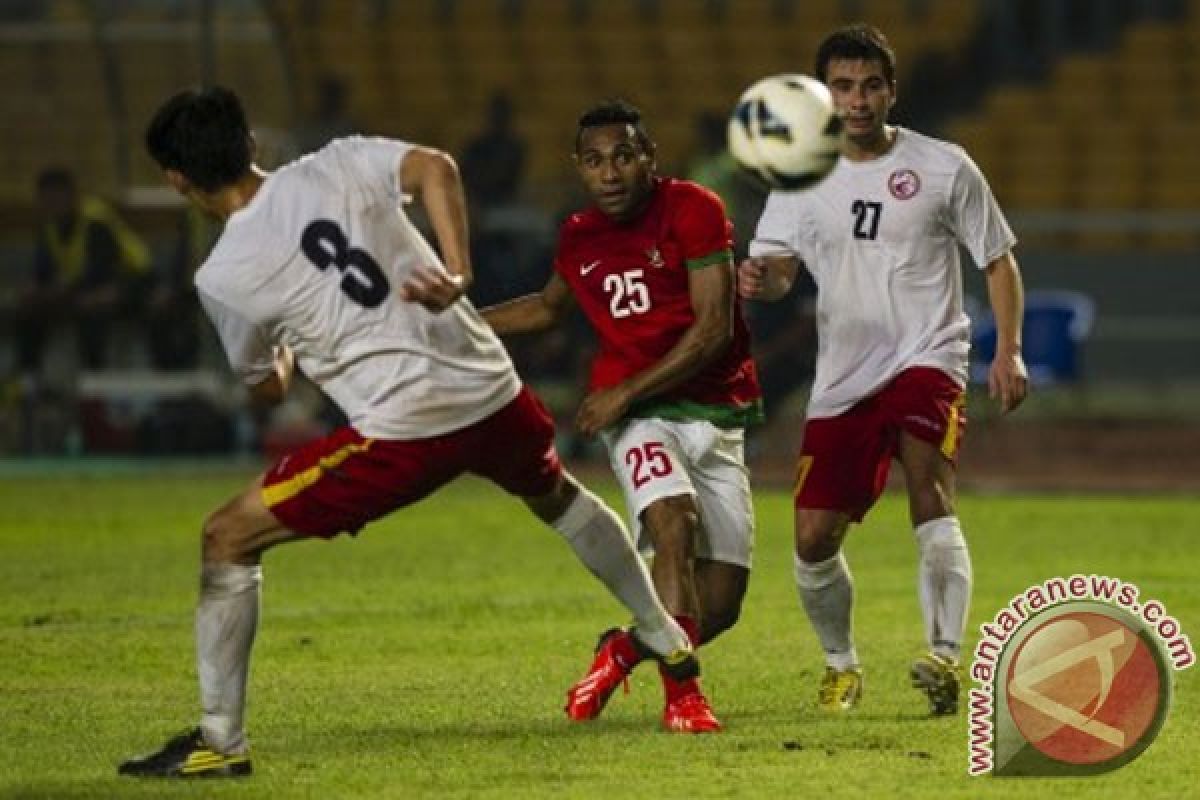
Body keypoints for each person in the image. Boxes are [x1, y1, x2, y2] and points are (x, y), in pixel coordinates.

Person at [118, 86, 701, 780]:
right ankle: (667, 639)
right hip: (491, 389)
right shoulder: (333, 163)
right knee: (559, 498)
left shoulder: (223, 276)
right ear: (251, 143)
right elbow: (436, 169)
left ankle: (220, 739)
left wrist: (293, 346)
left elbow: (267, 389)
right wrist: (456, 272)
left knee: (227, 537)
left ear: (176, 179)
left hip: (405, 431)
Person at [738, 25, 1029, 716]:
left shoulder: (945, 166)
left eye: (871, 85)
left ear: (892, 91)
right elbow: (781, 273)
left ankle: (944, 657)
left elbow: (997, 260)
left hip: (929, 354)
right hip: (843, 374)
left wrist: (1008, 350)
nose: (858, 100)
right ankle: (841, 665)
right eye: (843, 86)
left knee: (930, 490)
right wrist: (761, 278)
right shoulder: (798, 178)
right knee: (812, 541)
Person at [482, 101, 763, 733]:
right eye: (594, 161)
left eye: (624, 157)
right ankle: (684, 699)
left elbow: (713, 329)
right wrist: (457, 323)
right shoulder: (579, 234)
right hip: (636, 413)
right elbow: (549, 309)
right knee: (674, 523)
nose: (610, 173)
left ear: (649, 159)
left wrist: (628, 389)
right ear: (578, 168)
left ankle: (623, 648)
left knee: (718, 606)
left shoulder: (695, 208)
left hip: (712, 410)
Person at [13, 168, 150, 373]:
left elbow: (103, 270)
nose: (52, 205)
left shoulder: (95, 220)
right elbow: (43, 272)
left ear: (71, 196)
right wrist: (35, 289)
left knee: (92, 308)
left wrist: (62, 289)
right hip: (82, 290)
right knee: (29, 311)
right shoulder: (49, 228)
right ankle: (28, 379)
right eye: (46, 200)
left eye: (56, 198)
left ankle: (94, 380)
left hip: (133, 280)